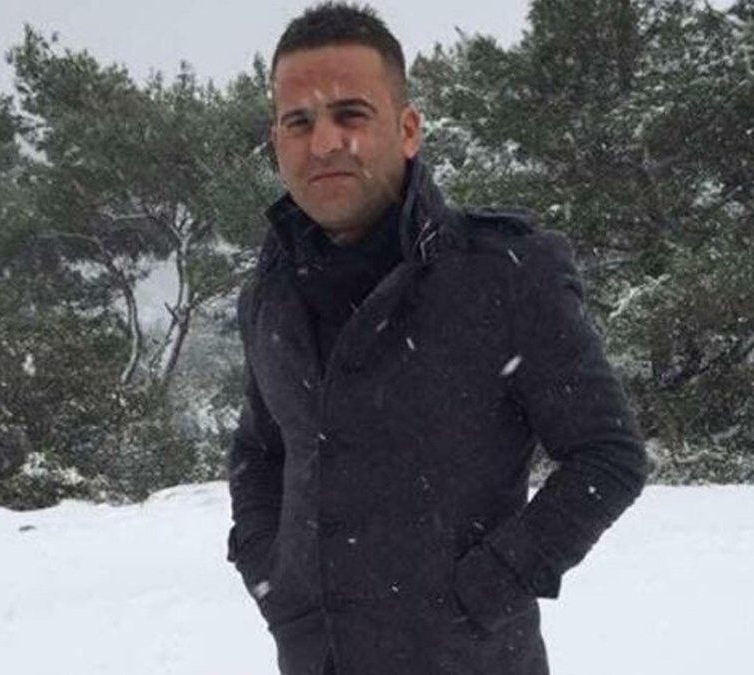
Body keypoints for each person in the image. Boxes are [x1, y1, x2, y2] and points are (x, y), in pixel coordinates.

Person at [226, 3, 648, 674]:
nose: (324, 142)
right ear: (276, 140)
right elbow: (260, 449)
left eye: (350, 114)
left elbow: (608, 455)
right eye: (297, 121)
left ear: (408, 129)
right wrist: (270, 572)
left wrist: (488, 587)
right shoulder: (268, 294)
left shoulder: (505, 273)